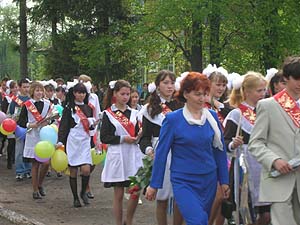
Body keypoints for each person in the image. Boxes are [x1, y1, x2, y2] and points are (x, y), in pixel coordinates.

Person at [146, 72, 229, 225]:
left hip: (208, 180)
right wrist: (154, 184)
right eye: (197, 94)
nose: (202, 99)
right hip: (184, 180)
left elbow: (220, 151)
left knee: (202, 219)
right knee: (199, 220)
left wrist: (224, 180)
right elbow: (162, 154)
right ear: (186, 94)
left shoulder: (212, 117)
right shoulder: (172, 120)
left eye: (205, 94)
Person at [248, 56, 300, 225]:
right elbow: (255, 143)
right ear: (286, 78)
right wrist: (274, 160)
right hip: (279, 177)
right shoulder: (268, 106)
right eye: (296, 78)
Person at [224, 72, 270, 225]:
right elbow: (225, 142)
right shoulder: (236, 114)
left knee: (267, 213)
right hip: (246, 165)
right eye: (259, 90)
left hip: (265, 163)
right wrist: (233, 144)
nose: (263, 94)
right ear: (247, 92)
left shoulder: (267, 111)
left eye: (264, 90)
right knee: (248, 210)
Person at [139, 70, 184, 225]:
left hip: (181, 152)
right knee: (162, 198)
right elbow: (144, 137)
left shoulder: (182, 105)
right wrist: (149, 150)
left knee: (180, 197)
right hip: (162, 155)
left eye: (172, 82)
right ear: (158, 85)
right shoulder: (150, 109)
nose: (169, 86)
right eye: (165, 83)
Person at [100, 80, 143, 225]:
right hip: (118, 154)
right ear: (115, 94)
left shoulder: (135, 114)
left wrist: (140, 135)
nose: (125, 97)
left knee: (135, 190)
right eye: (122, 94)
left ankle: (129, 220)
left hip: (133, 155)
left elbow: (139, 133)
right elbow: (104, 137)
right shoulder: (108, 114)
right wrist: (123, 138)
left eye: (128, 94)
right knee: (118, 194)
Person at [58, 83, 95, 207]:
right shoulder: (69, 108)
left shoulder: (89, 108)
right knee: (73, 170)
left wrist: (93, 125)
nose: (81, 95)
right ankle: (75, 198)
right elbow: (64, 126)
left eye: (83, 93)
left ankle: (83, 191)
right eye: (79, 92)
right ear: (74, 93)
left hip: (85, 140)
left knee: (86, 169)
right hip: (73, 140)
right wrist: (60, 141)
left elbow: (90, 127)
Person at [17, 82, 51, 200]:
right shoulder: (27, 105)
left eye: (41, 90)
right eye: (37, 90)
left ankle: (40, 184)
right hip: (32, 136)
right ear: (32, 92)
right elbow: (20, 121)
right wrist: (30, 125)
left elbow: (52, 118)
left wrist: (50, 122)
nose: (39, 93)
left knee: (46, 163)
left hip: (45, 136)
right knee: (35, 164)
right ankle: (35, 190)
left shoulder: (47, 104)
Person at [78, 74, 101, 199]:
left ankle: (85, 178)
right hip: (80, 134)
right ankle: (86, 187)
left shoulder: (94, 97)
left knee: (93, 161)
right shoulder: (76, 98)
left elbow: (97, 114)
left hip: (92, 132)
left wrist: (96, 129)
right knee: (84, 161)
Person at [11, 78, 31, 180]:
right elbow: (10, 114)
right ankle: (19, 170)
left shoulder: (31, 100)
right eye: (24, 87)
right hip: (19, 127)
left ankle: (28, 170)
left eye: (28, 87)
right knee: (19, 150)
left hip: (31, 127)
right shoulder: (15, 100)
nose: (26, 89)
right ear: (19, 87)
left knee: (29, 150)